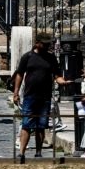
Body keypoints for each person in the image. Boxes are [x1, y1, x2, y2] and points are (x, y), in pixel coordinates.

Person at [13, 32, 72, 161]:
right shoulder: (27, 57)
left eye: (48, 44)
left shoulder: (51, 58)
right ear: (37, 43)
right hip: (29, 96)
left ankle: (38, 152)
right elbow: (20, 74)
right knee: (26, 125)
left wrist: (62, 82)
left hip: (45, 97)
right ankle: (21, 153)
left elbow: (57, 75)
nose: (47, 46)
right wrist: (16, 93)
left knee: (41, 126)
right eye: (44, 44)